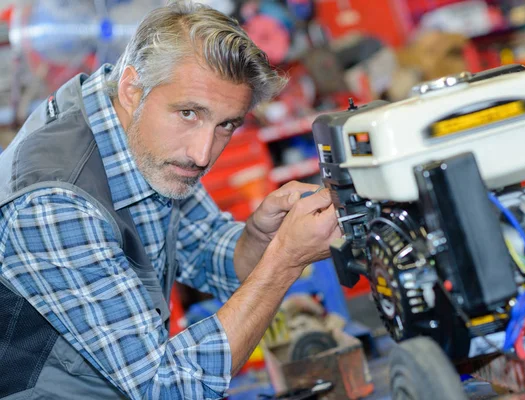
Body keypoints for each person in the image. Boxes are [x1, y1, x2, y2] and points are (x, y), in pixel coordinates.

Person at [0, 2, 340, 399]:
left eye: (226, 124)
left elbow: (203, 248)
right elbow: (170, 389)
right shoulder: (56, 203)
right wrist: (285, 260)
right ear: (132, 89)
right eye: (189, 114)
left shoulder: (133, 126)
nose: (202, 153)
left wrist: (261, 239)